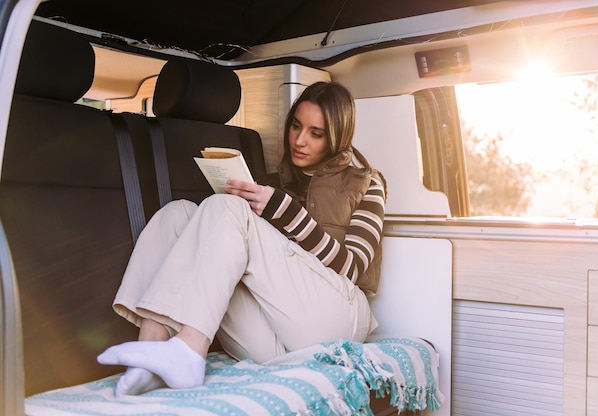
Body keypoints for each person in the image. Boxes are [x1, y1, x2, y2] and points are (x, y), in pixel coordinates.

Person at [97, 81, 387, 396]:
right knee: (176, 213)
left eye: (316, 134)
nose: (300, 141)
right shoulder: (268, 184)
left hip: (336, 320)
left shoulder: (366, 183)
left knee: (229, 208)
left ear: (336, 139)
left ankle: (190, 350)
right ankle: (150, 354)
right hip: (275, 337)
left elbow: (354, 268)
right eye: (295, 126)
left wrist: (285, 211)